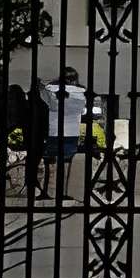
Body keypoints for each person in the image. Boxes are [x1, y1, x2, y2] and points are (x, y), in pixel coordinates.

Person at [45, 67, 86, 202]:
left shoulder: (52, 90)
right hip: (71, 130)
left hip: (55, 130)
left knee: (53, 163)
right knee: (66, 164)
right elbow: (81, 109)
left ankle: (50, 191)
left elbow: (53, 105)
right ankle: (62, 192)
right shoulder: (80, 92)